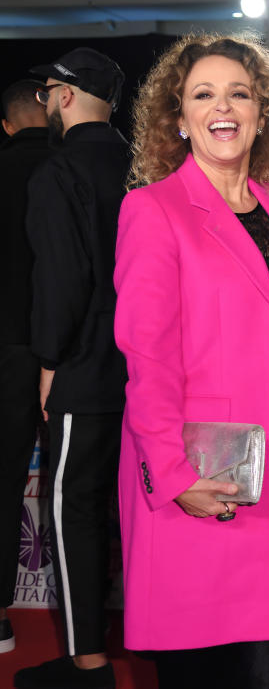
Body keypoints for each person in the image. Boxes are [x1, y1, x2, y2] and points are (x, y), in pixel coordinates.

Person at [112, 34, 269, 688]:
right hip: (201, 481)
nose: (223, 107)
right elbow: (146, 358)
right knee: (206, 669)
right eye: (203, 94)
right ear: (178, 116)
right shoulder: (152, 210)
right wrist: (174, 476)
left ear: (264, 113)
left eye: (240, 93)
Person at [15, 48, 129, 689]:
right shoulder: (147, 169)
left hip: (84, 373)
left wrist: (49, 360)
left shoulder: (60, 172)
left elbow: (61, 279)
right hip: (151, 374)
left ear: (60, 96)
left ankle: (89, 664)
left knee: (73, 512)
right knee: (139, 514)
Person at [0, 78, 50, 656]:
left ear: (6, 125)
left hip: (7, 348)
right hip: (79, 354)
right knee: (84, 489)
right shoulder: (78, 171)